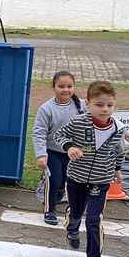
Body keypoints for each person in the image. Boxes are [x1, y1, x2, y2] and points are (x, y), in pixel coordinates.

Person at [55, 81, 125, 257]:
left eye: (109, 105)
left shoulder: (118, 128)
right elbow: (59, 135)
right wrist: (69, 147)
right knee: (77, 211)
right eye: (99, 105)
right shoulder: (78, 122)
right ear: (88, 103)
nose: (105, 109)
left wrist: (118, 168)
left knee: (94, 220)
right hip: (76, 177)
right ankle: (72, 223)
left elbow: (119, 150)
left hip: (101, 180)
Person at [33, 71, 86, 225]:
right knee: (54, 180)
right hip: (52, 152)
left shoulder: (82, 105)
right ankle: (49, 210)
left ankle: (71, 210)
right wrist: (41, 155)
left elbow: (100, 116)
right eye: (61, 86)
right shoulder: (46, 109)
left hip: (73, 153)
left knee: (70, 183)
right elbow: (39, 133)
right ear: (54, 87)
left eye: (69, 86)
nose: (65, 90)